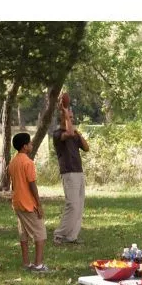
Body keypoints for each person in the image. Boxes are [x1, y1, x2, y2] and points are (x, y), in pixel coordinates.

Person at [8, 132, 49, 272]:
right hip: (28, 204)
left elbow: (13, 184)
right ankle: (38, 265)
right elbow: (32, 185)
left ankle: (26, 263)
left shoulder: (13, 162)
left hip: (17, 202)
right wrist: (39, 205)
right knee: (40, 233)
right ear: (25, 146)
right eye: (30, 143)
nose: (32, 145)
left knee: (24, 233)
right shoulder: (28, 162)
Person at [52, 95, 89, 245]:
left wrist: (79, 133)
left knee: (79, 205)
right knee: (72, 204)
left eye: (72, 118)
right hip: (69, 173)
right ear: (63, 118)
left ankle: (72, 236)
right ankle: (59, 234)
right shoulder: (57, 134)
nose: (71, 120)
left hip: (78, 171)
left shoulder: (74, 134)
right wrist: (65, 111)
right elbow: (68, 133)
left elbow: (86, 148)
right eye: (69, 117)